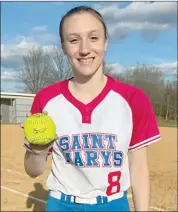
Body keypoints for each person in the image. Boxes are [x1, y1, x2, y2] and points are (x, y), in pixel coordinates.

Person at [23, 6, 161, 212]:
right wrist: (38, 151)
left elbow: (138, 167)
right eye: (74, 40)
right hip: (61, 205)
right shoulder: (47, 99)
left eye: (94, 38)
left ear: (106, 42)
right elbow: (33, 171)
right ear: (63, 47)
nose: (84, 49)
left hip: (113, 204)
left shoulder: (133, 99)